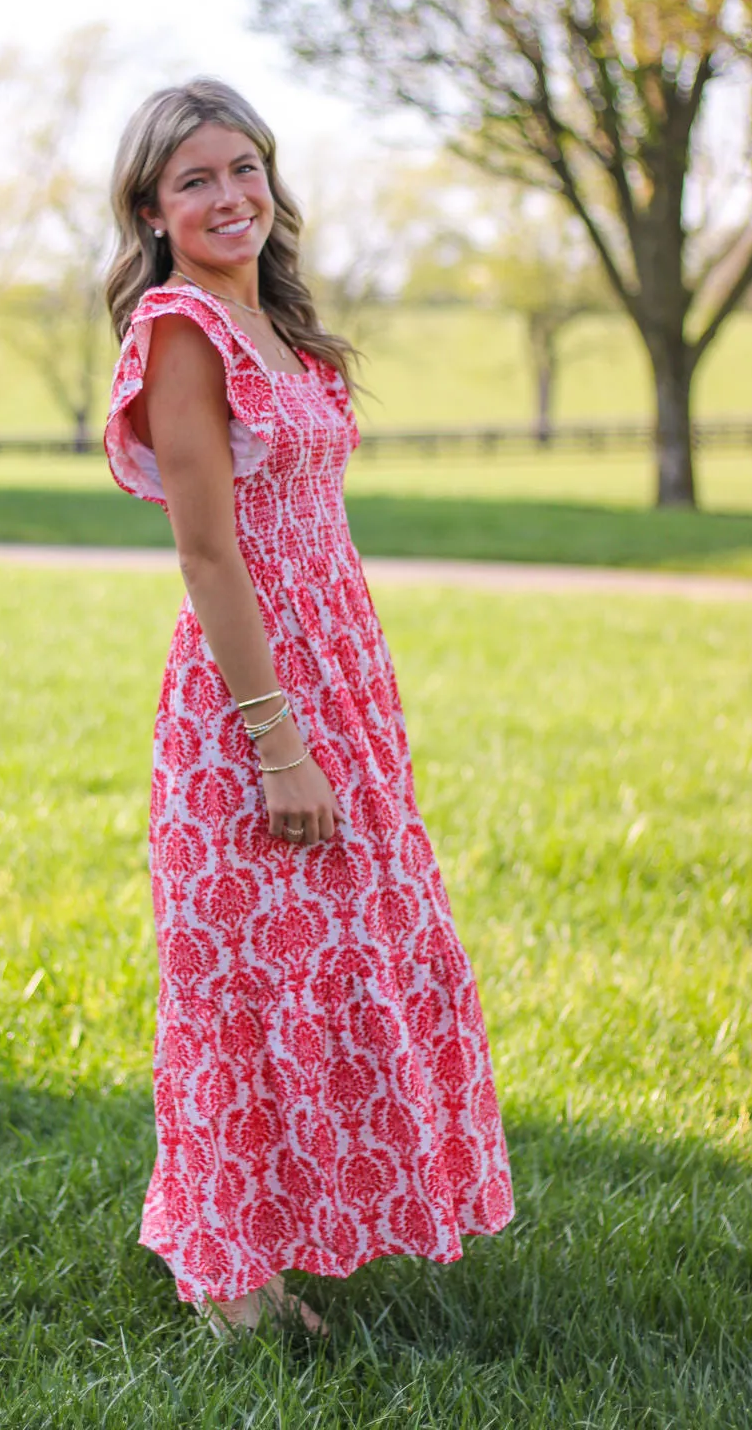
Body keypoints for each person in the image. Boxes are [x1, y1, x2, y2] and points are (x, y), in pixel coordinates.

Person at [102, 78, 514, 1336]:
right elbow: (208, 555)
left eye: (244, 169)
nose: (229, 196)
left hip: (340, 673)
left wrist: (345, 714)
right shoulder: (180, 329)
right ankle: (232, 1279)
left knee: (344, 958)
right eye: (195, 180)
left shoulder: (278, 324)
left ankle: (293, 1229)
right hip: (254, 695)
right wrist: (278, 741)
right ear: (153, 210)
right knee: (245, 980)